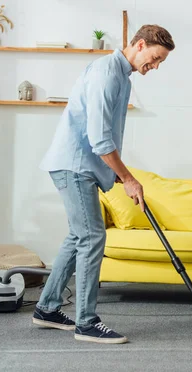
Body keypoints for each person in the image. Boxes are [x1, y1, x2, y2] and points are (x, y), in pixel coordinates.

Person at [33, 25, 175, 344]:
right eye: (154, 59)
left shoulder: (120, 76)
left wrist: (115, 174)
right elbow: (99, 138)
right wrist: (128, 178)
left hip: (80, 166)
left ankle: (47, 307)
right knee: (93, 236)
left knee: (78, 235)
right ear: (139, 44)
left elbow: (104, 136)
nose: (153, 67)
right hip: (74, 165)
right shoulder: (107, 73)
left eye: (160, 63)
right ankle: (86, 321)